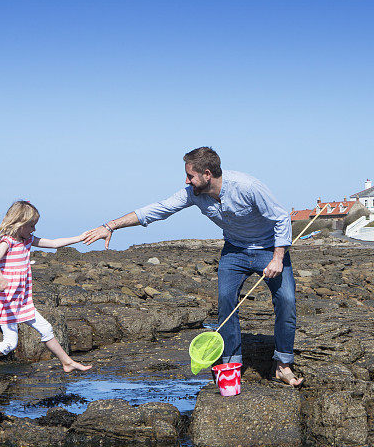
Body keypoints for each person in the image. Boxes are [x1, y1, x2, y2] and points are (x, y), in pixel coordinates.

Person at [83, 147, 303, 386]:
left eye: (190, 175)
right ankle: (232, 364)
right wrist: (111, 226)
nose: (186, 180)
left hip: (269, 248)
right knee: (226, 302)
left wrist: (278, 258)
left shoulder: (248, 186)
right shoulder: (194, 194)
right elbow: (158, 209)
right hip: (234, 251)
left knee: (287, 300)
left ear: (207, 174)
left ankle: (282, 364)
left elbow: (281, 217)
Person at [0, 200, 93, 381]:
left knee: (46, 328)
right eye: (31, 225)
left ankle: (67, 362)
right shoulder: (8, 241)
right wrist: (0, 278)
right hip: (7, 300)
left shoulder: (28, 240)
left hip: (21, 300)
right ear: (19, 223)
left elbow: (54, 243)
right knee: (9, 343)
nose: (34, 230)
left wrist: (79, 238)